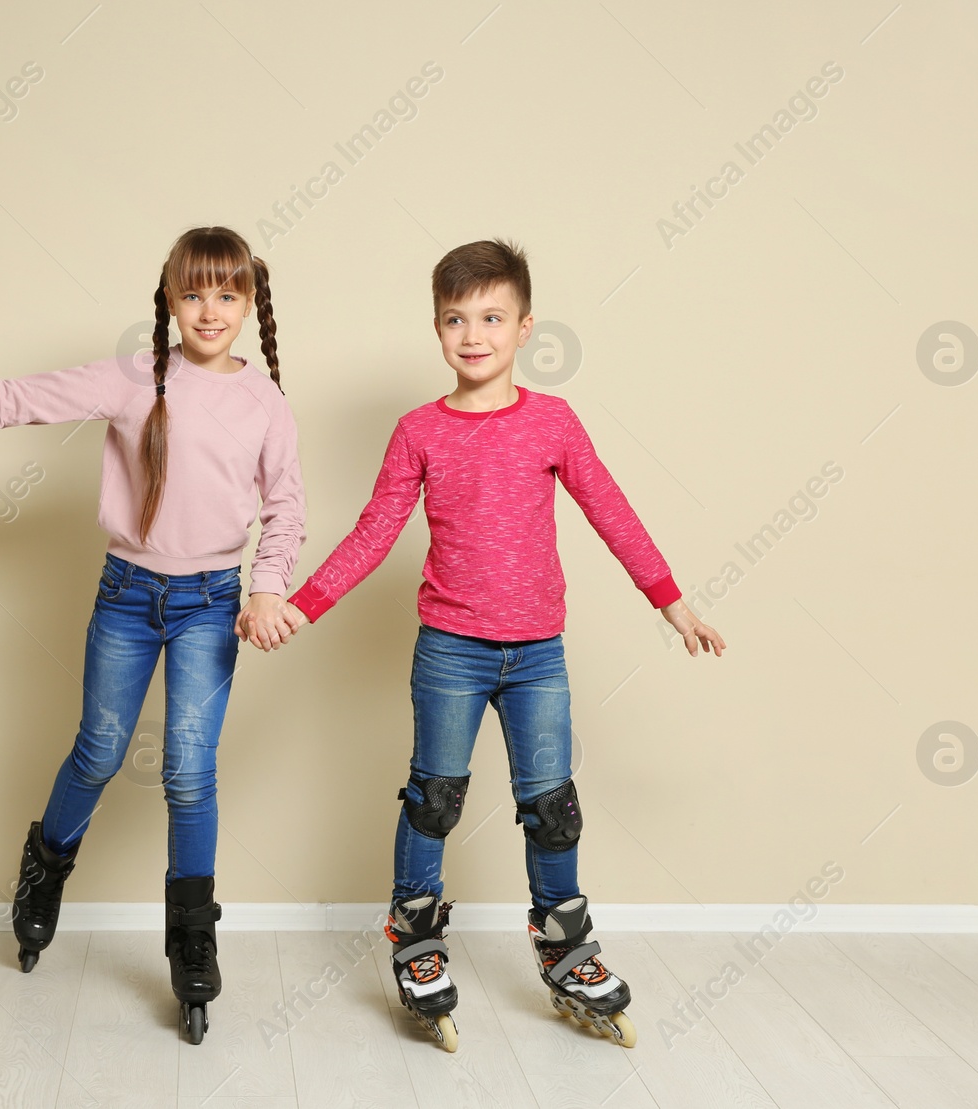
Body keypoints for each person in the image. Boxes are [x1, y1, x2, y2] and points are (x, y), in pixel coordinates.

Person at [0, 226, 305, 1045]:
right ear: (167, 298)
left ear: (249, 303)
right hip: (127, 594)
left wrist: (267, 588)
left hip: (210, 604)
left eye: (227, 294)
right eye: (192, 293)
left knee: (190, 773)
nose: (209, 309)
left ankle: (192, 934)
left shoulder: (265, 400)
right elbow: (27, 396)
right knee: (99, 749)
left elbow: (287, 507)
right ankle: (44, 870)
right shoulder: (133, 380)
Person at [281, 238, 724, 1051]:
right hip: (450, 648)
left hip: (538, 654)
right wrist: (300, 607)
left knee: (552, 807)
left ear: (525, 327)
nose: (472, 333)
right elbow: (375, 532)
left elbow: (611, 510)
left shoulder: (552, 420)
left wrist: (672, 602)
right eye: (455, 318)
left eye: (491, 316)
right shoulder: (419, 430)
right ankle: (416, 940)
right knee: (434, 796)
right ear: (438, 329)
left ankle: (566, 949)